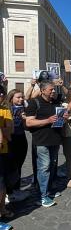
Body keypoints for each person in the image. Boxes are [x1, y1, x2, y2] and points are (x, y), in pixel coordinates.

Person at [25, 80, 67, 207]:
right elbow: (29, 123)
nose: (53, 91)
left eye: (54, 89)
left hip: (54, 139)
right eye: (51, 89)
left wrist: (63, 117)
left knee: (52, 166)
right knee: (44, 167)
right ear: (42, 90)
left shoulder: (56, 103)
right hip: (41, 141)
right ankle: (43, 196)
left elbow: (59, 120)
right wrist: (48, 120)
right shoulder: (34, 103)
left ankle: (47, 190)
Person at [6, 89, 31, 201]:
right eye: (18, 97)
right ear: (11, 98)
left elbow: (26, 127)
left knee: (19, 165)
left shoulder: (23, 109)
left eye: (22, 97)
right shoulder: (6, 109)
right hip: (10, 140)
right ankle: (9, 192)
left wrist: (25, 120)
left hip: (21, 138)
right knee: (11, 166)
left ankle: (16, 189)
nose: (21, 99)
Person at [0, 85, 14, 218]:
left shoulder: (5, 110)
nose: (1, 96)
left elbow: (9, 131)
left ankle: (2, 209)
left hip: (2, 149)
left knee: (2, 181)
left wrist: (3, 129)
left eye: (1, 94)